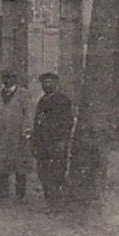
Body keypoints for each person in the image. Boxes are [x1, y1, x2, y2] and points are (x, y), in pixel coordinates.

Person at [0, 70, 33, 202]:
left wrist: (26, 131)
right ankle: (2, 192)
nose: (7, 80)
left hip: (17, 135)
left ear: (15, 79)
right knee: (2, 164)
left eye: (10, 77)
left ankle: (20, 195)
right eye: (5, 78)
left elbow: (28, 113)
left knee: (20, 165)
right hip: (1, 135)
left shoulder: (23, 94)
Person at [30, 72, 74, 209]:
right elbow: (37, 123)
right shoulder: (42, 101)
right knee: (43, 172)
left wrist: (62, 140)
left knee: (57, 172)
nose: (46, 85)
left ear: (56, 84)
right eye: (44, 83)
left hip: (56, 142)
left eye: (50, 82)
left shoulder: (62, 100)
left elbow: (67, 122)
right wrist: (34, 141)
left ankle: (58, 203)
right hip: (43, 142)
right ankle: (50, 202)